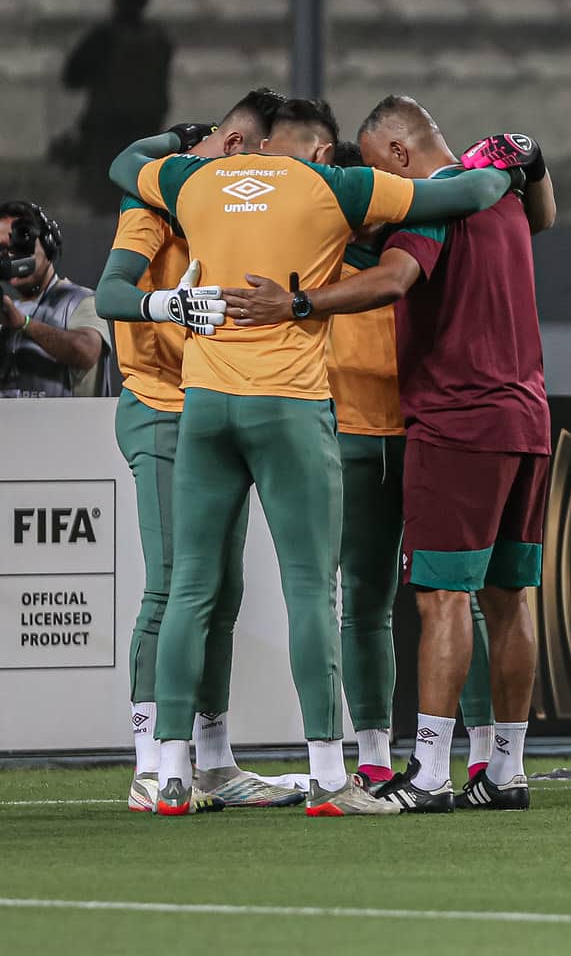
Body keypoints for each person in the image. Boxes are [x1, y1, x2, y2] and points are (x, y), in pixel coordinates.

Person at [98, 101, 521, 817]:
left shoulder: (194, 183)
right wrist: (511, 162)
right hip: (290, 406)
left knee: (189, 589)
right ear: (324, 150)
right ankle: (332, 775)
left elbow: (122, 166)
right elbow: (465, 193)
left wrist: (176, 139)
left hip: (202, 404)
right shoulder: (335, 188)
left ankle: (169, 774)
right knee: (312, 591)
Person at [225, 97, 554, 813]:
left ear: (399, 156)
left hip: (457, 420)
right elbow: (545, 215)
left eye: (375, 169)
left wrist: (297, 304)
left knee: (441, 599)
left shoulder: (428, 203)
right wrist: (533, 160)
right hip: (527, 417)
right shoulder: (497, 197)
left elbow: (394, 280)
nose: (375, 190)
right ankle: (505, 770)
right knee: (508, 598)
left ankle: (430, 774)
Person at [97, 90, 300, 814]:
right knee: (172, 586)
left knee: (220, 592)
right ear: (240, 146)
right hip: (159, 410)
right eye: (267, 161)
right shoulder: (157, 196)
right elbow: (111, 294)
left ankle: (213, 761)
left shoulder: (241, 209)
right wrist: (169, 305)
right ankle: (152, 761)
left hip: (218, 407)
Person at [301, 130, 500, 795]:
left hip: (422, 432)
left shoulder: (421, 240)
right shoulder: (321, 250)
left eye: (384, 197)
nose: (376, 210)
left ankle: (483, 751)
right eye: (366, 200)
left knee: (453, 596)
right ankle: (377, 753)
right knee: (364, 602)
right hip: (353, 436)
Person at [60, 0, 174, 216]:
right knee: (137, 206)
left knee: (105, 206)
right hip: (142, 134)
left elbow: (71, 77)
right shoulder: (158, 39)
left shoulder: (105, 37)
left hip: (107, 137)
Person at [1, 201, 112, 399]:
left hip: (69, 427)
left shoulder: (81, 300)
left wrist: (23, 324)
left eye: (20, 245)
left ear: (48, 244)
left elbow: (86, 352)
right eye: (2, 250)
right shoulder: (7, 308)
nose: (10, 256)